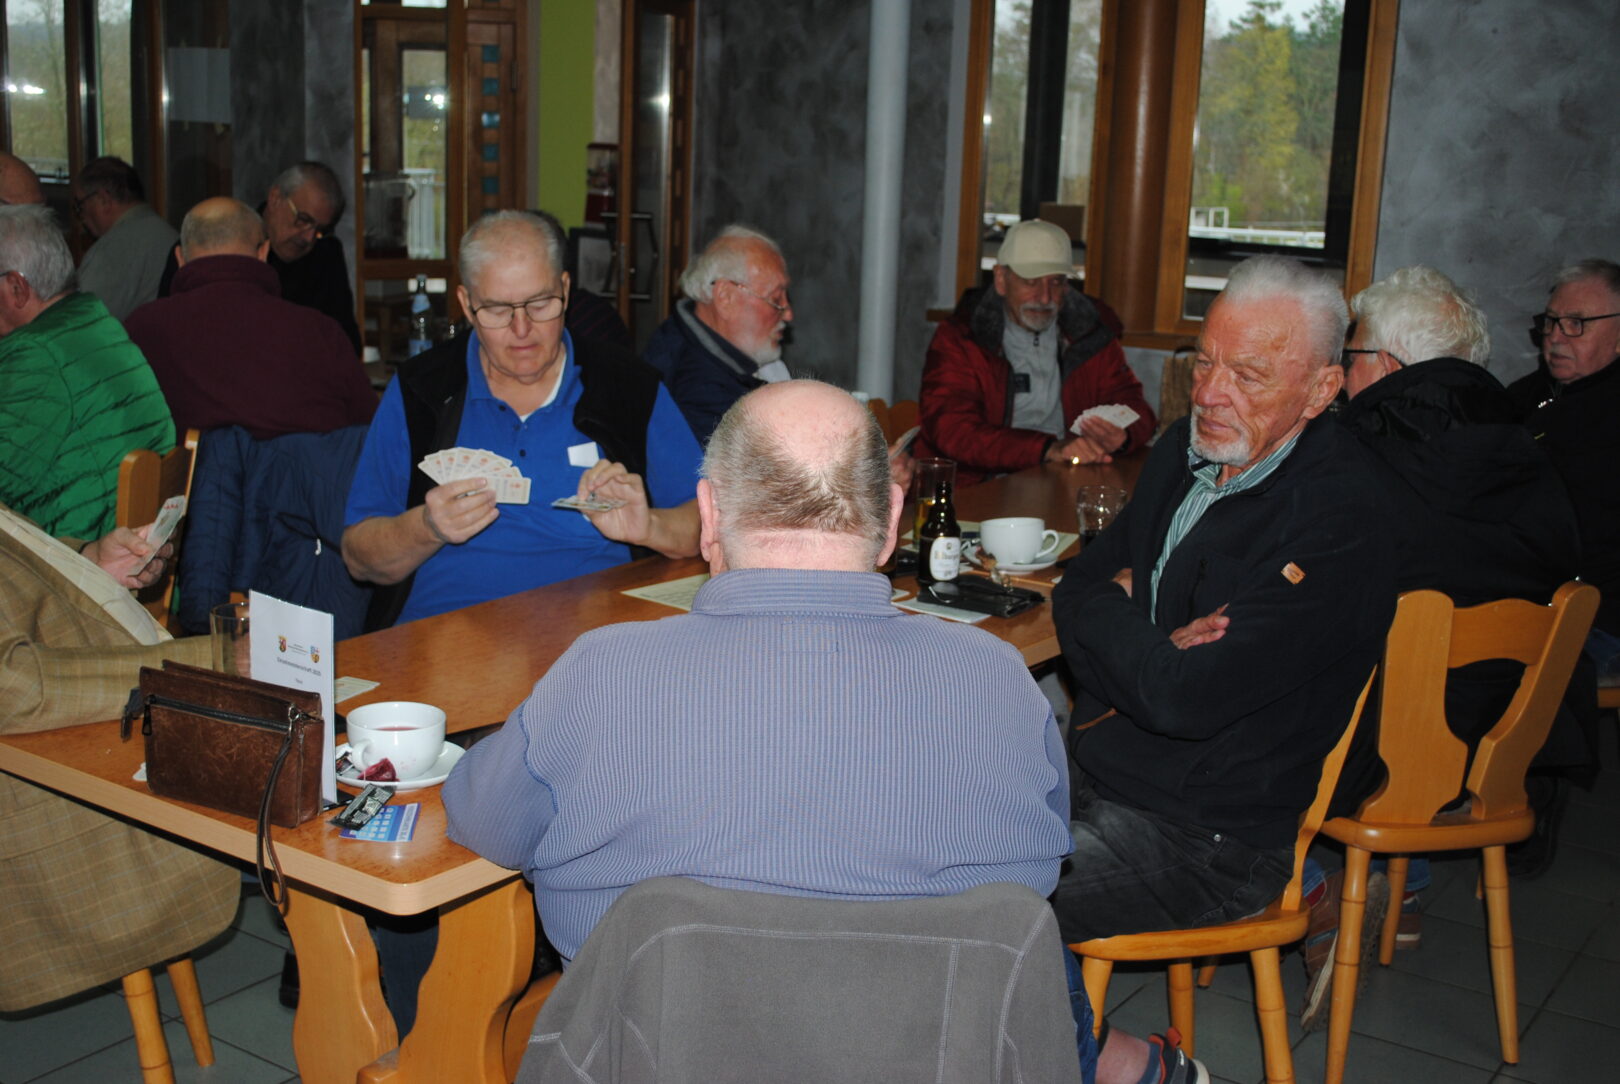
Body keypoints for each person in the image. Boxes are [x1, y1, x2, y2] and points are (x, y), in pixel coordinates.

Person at [444, 379, 1204, 1084]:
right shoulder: (1000, 681)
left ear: (709, 515)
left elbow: (485, 822)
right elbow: (1033, 882)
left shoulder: (600, 673)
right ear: (892, 522)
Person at [1048, 254, 1396, 949]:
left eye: (1248, 375)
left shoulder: (1343, 517)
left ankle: (1103, 1040)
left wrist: (1119, 618)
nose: (1208, 393)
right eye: (1204, 362)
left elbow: (1183, 698)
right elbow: (1074, 588)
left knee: (981, 898)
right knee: (915, 836)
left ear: (1321, 389)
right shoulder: (1181, 454)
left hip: (1208, 837)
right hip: (1099, 765)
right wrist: (1152, 646)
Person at [1294, 265, 1582, 1029]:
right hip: (1491, 752)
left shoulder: (1354, 454)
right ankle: (1407, 888)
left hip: (1369, 759)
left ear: (1388, 365)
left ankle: (1311, 893)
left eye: (1351, 355)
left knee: (1224, 687)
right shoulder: (1527, 448)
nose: (1342, 371)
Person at [342, 210, 702, 628]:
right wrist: (426, 527)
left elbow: (705, 524)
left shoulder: (628, 386)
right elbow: (358, 558)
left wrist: (650, 526)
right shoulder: (421, 391)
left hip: (591, 642)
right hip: (444, 640)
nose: (522, 329)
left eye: (540, 304)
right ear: (466, 305)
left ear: (565, 289)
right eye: (497, 310)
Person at [0, 503, 240, 1013]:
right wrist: (209, 662)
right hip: (46, 805)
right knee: (315, 813)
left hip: (87, 734)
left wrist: (88, 565)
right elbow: (13, 688)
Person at [915, 219, 1156, 485]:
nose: (1044, 297)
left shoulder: (1091, 335)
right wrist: (1047, 449)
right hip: (979, 484)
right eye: (1031, 282)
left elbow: (1137, 408)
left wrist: (1123, 435)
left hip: (1068, 476)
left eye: (1056, 282)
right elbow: (953, 430)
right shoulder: (961, 338)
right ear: (1001, 280)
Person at [125, 197, 377, 442]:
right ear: (263, 252)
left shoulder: (142, 330)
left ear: (180, 258)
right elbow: (372, 429)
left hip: (190, 470)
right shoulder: (319, 332)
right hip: (307, 469)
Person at [0, 204, 173, 539]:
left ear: (17, 287)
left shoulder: (36, 353)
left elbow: (6, 477)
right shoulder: (93, 322)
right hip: (127, 539)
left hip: (86, 552)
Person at [1507, 259, 1620, 680]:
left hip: (1600, 618)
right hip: (1541, 599)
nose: (1555, 336)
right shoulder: (1529, 394)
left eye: (1576, 324)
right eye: (1551, 322)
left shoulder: (1605, 414)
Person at [642, 224, 794, 445]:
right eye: (776, 299)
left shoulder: (698, 341)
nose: (788, 314)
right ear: (725, 297)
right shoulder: (697, 391)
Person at [71, 157, 178, 320]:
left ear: (104, 200)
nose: (82, 218)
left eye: (80, 205)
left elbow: (79, 319)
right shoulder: (171, 235)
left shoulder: (109, 251)